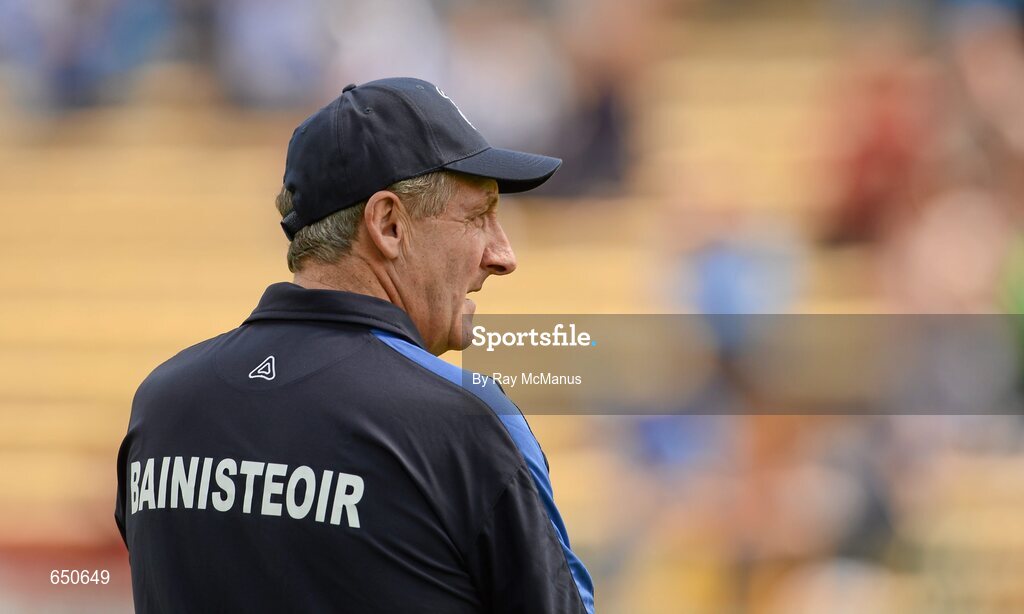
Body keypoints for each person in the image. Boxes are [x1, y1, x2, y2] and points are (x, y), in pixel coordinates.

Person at [114, 77, 595, 613]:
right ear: (389, 225)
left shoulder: (161, 406)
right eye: (478, 217)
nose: (503, 255)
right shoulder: (464, 422)